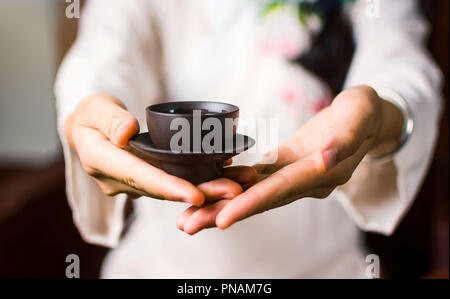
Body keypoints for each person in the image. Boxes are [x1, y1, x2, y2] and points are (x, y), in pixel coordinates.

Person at [55, 0, 442, 278]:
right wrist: (88, 112)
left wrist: (380, 114)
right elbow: (101, 57)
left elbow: (400, 65)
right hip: (158, 268)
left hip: (327, 267)